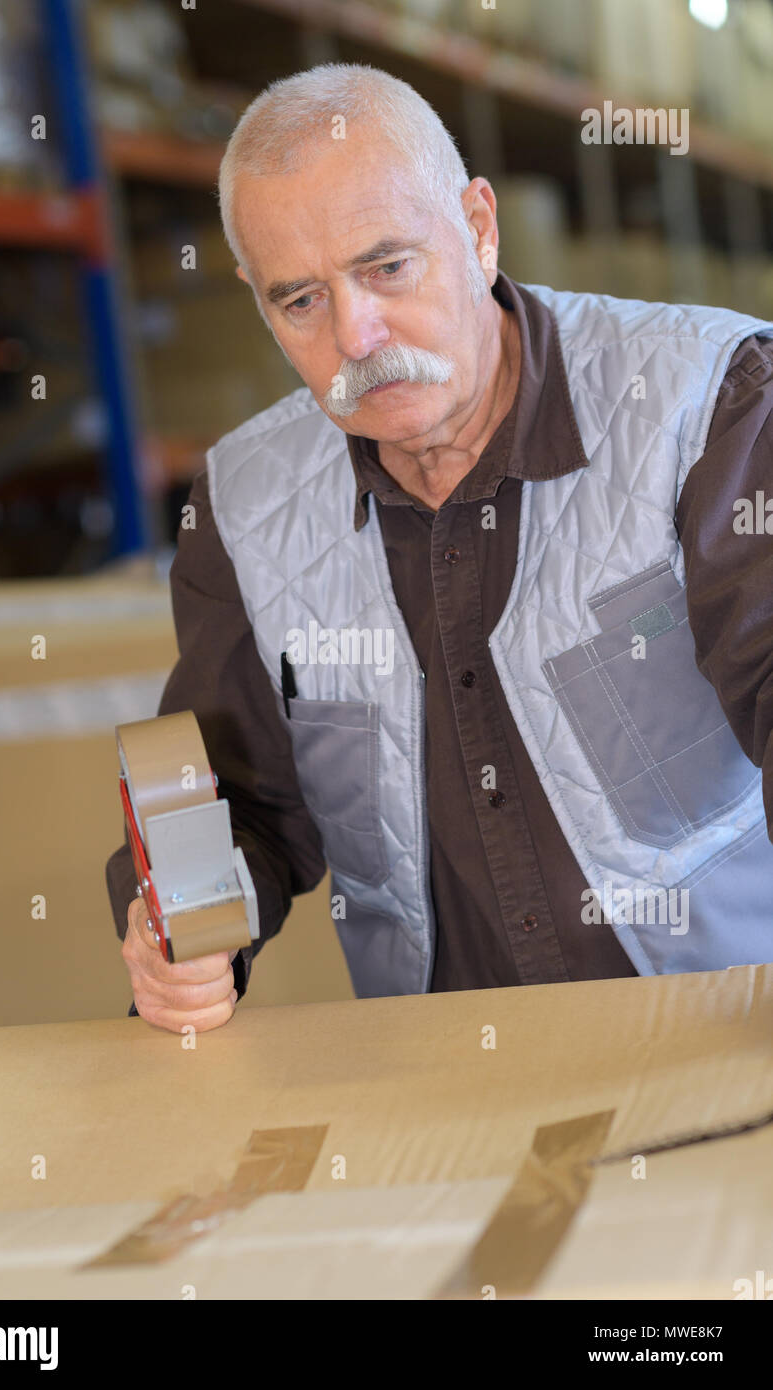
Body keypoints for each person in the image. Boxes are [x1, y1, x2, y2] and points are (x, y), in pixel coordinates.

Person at [105, 63, 773, 1035]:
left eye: (386, 266)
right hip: (436, 1075)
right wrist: (183, 928)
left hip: (715, 1039)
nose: (356, 334)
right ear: (254, 298)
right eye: (299, 301)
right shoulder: (244, 504)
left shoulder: (706, 402)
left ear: (477, 226)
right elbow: (229, 795)